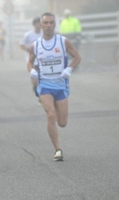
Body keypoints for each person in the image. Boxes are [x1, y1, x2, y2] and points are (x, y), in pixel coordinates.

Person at [27, 12, 81, 161]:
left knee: (62, 123)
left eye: (51, 23)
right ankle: (57, 150)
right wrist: (31, 70)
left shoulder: (63, 41)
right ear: (41, 25)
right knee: (50, 115)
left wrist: (69, 69)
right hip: (44, 85)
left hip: (61, 85)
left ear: (54, 25)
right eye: (46, 23)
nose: (49, 25)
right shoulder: (36, 45)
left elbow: (77, 57)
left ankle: (56, 111)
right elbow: (29, 62)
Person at [19, 17, 43, 99]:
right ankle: (39, 95)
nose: (38, 25)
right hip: (32, 61)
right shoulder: (28, 34)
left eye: (39, 23)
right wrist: (28, 49)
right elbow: (21, 44)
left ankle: (43, 97)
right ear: (33, 25)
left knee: (44, 80)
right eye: (36, 23)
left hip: (42, 60)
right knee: (35, 81)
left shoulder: (44, 33)